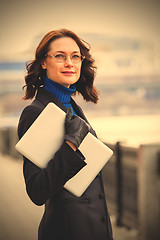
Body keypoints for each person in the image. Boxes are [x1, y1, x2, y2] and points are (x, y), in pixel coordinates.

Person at [17, 29, 113, 240]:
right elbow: (37, 191)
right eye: (60, 56)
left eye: (75, 56)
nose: (69, 62)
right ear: (44, 62)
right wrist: (70, 144)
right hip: (67, 231)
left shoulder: (72, 107)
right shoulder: (35, 112)